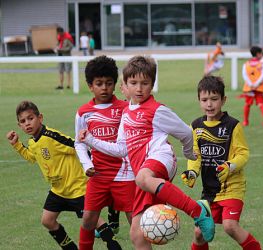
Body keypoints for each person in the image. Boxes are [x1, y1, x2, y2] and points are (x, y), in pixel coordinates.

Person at [77, 55, 216, 249]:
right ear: (125, 84)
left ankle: (197, 211)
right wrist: (91, 140)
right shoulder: (126, 113)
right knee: (137, 234)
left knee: (141, 178)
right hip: (145, 172)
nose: (139, 88)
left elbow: (185, 132)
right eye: (133, 83)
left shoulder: (156, 110)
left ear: (152, 85)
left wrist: (188, 152)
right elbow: (121, 149)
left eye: (145, 83)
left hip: (160, 158)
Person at [6, 101, 119, 250]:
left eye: (30, 118)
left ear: (40, 118)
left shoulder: (51, 136)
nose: (27, 123)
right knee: (47, 220)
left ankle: (113, 244)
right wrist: (17, 145)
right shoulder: (33, 142)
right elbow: (32, 157)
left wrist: (93, 164)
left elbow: (76, 145)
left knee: (93, 220)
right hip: (58, 191)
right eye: (23, 121)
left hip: (77, 189)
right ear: (19, 125)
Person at [181, 75, 261, 250]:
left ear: (223, 100)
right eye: (204, 100)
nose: (209, 104)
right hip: (209, 191)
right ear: (199, 101)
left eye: (214, 99)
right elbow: (195, 155)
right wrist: (192, 172)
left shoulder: (233, 125)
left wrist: (229, 166)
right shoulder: (196, 126)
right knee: (199, 233)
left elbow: (243, 154)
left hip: (232, 188)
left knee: (230, 226)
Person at [75, 55, 135, 250]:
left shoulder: (126, 109)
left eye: (108, 83)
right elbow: (80, 143)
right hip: (98, 174)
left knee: (135, 221)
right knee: (88, 220)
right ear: (90, 85)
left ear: (114, 84)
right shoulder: (83, 112)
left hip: (125, 174)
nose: (104, 88)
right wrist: (87, 165)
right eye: (99, 83)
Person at [241, 46, 263, 127]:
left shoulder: (246, 64)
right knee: (261, 104)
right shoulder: (262, 64)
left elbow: (244, 75)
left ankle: (245, 121)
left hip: (249, 88)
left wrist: (251, 84)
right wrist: (257, 84)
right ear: (258, 54)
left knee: (247, 104)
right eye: (261, 53)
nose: (262, 55)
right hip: (259, 87)